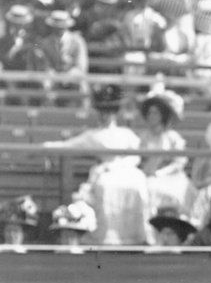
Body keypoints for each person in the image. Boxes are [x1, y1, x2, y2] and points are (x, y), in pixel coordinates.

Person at [43, 84, 153, 245]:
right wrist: (48, 146)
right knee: (104, 185)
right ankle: (108, 237)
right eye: (103, 112)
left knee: (139, 183)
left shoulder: (126, 133)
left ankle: (137, 236)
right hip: (105, 172)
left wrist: (119, 165)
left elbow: (135, 156)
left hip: (127, 171)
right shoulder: (93, 135)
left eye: (109, 112)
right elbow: (71, 144)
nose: (106, 116)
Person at [138, 84, 195, 213]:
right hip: (146, 176)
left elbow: (179, 162)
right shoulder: (143, 137)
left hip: (170, 178)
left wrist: (160, 173)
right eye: (149, 112)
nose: (151, 116)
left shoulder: (173, 138)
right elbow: (137, 159)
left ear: (162, 115)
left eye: (155, 113)